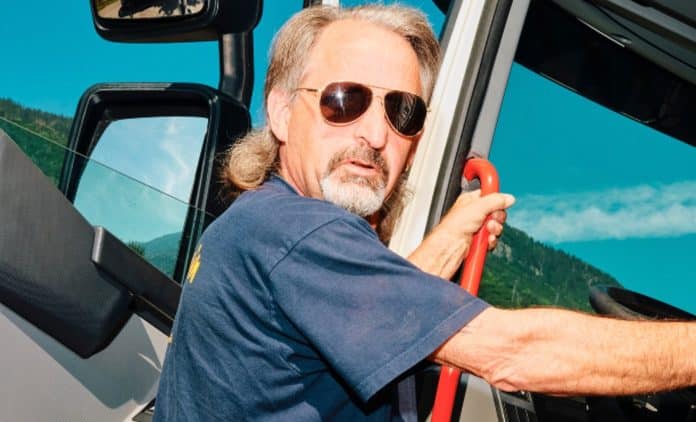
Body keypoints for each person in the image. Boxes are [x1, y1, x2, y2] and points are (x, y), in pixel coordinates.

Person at [154, 4, 696, 421]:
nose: (375, 134)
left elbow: (373, 313)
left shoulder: (258, 224)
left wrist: (449, 239)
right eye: (345, 101)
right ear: (280, 111)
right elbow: (513, 355)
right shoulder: (299, 232)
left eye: (403, 112)